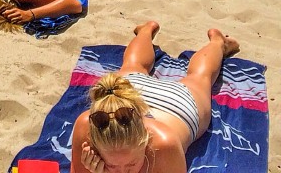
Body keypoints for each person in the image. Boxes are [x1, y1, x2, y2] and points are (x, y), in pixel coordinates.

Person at [71, 21, 240, 173]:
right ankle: (146, 30)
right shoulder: (86, 127)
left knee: (200, 77)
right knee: (133, 66)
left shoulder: (165, 146)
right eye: (112, 166)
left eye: (131, 165)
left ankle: (219, 42)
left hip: (177, 105)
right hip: (126, 94)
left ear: (146, 142)